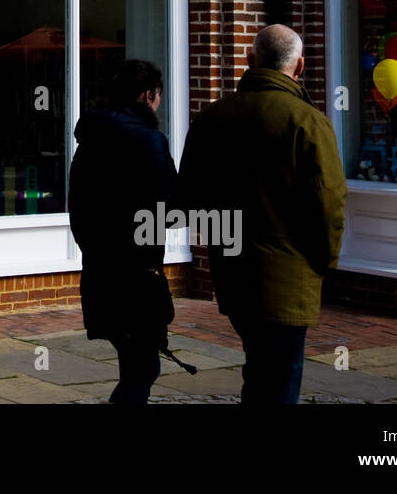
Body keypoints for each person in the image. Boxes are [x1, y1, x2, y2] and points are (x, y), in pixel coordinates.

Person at [178, 24, 348, 404]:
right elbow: (329, 201)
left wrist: (222, 240)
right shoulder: (307, 122)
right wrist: (326, 261)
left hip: (233, 271)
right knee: (281, 379)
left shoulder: (211, 118)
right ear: (299, 66)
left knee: (259, 368)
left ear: (249, 60)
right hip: (290, 276)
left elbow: (189, 197)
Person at [68, 59, 178, 404]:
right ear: (149, 95)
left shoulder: (90, 141)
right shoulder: (149, 141)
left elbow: (80, 210)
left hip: (101, 270)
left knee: (135, 364)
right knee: (142, 370)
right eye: (158, 94)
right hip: (137, 276)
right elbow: (171, 209)